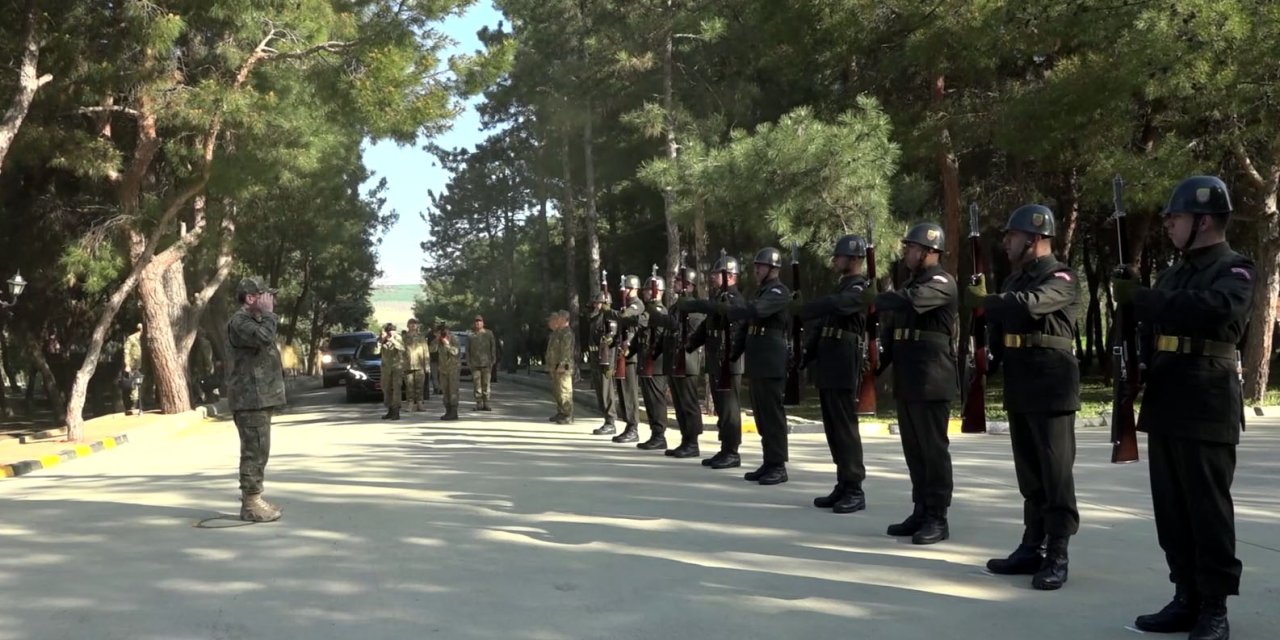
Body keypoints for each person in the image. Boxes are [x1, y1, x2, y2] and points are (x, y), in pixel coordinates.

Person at [1114, 176, 1253, 640]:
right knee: (1172, 509)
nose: (1169, 224)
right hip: (1168, 397)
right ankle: (1185, 595)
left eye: (1176, 217)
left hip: (1208, 401)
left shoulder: (1234, 268)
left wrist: (1145, 299)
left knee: (1207, 509)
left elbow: (1217, 310)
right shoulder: (1174, 273)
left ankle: (1214, 607)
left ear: (1205, 220)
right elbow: (1151, 327)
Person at [967, 205, 1081, 590]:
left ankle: (1058, 554)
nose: (1006, 242)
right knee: (1031, 476)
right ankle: (1031, 545)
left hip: (1052, 385)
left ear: (1034, 240)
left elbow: (1032, 306)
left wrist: (988, 301)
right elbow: (1001, 324)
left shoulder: (1061, 276)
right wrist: (989, 356)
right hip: (1021, 383)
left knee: (1055, 475)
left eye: (1012, 236)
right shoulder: (1016, 279)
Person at [874, 222, 958, 545]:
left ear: (929, 250)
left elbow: (909, 302)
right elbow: (895, 325)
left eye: (911, 247)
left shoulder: (941, 282)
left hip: (932, 376)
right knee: (914, 449)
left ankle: (938, 516)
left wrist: (879, 299)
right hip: (910, 376)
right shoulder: (909, 283)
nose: (906, 252)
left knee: (933, 450)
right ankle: (921, 509)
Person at [681, 247, 791, 486]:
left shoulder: (777, 291)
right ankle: (769, 461)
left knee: (771, 416)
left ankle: (777, 464)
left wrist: (715, 309)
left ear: (773, 269)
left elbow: (753, 312)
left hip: (771, 361)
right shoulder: (760, 292)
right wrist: (734, 353)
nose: (756, 270)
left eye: (760, 266)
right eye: (756, 266)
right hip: (757, 361)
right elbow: (745, 326)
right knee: (762, 416)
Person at [794, 235, 877, 514]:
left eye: (839, 256)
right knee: (832, 424)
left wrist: (804, 309)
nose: (835, 260)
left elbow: (838, 306)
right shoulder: (842, 286)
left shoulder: (860, 287)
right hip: (830, 356)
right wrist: (808, 352)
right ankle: (843, 482)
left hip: (844, 356)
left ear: (853, 259)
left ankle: (855, 486)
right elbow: (824, 321)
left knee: (844, 424)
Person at [226, 277, 286, 523]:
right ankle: (251, 502)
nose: (269, 300)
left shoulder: (252, 320)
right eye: (264, 296)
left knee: (261, 449)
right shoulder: (239, 322)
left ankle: (255, 497)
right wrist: (270, 315)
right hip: (250, 398)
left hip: (260, 397)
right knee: (254, 451)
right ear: (251, 298)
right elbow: (263, 338)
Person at [686, 253, 746, 469]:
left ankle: (732, 451)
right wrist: (692, 343)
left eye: (716, 275)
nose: (712, 278)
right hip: (716, 360)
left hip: (729, 361)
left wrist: (695, 305)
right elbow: (707, 326)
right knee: (722, 407)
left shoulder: (734, 299)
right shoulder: (717, 299)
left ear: (730, 276)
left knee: (730, 409)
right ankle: (724, 448)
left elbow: (721, 315)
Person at [653, 265, 704, 458]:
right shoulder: (677, 306)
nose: (674, 283)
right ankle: (685, 440)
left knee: (689, 403)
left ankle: (693, 442)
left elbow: (679, 326)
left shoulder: (694, 307)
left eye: (679, 281)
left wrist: (657, 316)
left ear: (689, 286)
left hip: (687, 360)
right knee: (679, 404)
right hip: (674, 360)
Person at [634, 270, 670, 450]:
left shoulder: (658, 311)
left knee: (656, 400)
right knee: (649, 399)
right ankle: (655, 433)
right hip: (647, 359)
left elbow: (660, 337)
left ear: (658, 292)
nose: (646, 293)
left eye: (649, 290)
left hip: (656, 363)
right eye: (645, 290)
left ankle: (659, 435)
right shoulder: (649, 310)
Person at [609, 275, 645, 443]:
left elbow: (624, 315)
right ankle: (628, 424)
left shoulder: (637, 305)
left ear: (635, 289)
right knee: (622, 391)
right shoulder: (626, 306)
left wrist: (607, 311)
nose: (625, 292)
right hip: (621, 352)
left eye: (628, 289)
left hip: (631, 354)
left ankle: (633, 427)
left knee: (629, 392)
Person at [587, 291, 619, 435]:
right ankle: (606, 418)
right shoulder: (595, 318)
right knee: (600, 390)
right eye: (595, 303)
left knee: (607, 390)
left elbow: (611, 336)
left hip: (606, 358)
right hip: (596, 357)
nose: (596, 305)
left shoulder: (609, 317)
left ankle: (610, 421)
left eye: (599, 302)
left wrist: (605, 343)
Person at [545, 310, 576, 424]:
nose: (557, 320)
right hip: (556, 366)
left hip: (563, 367)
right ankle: (561, 412)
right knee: (558, 391)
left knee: (565, 391)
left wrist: (563, 365)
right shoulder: (559, 332)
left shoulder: (567, 333)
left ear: (564, 319)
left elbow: (566, 351)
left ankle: (568, 414)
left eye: (559, 318)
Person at [468, 315, 498, 411]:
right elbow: (468, 350)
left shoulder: (488, 333)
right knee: (477, 385)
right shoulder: (470, 335)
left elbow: (493, 347)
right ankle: (479, 403)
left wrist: (493, 359)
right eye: (476, 321)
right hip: (475, 364)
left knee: (486, 384)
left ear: (483, 323)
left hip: (487, 363)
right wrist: (469, 362)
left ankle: (486, 403)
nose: (478, 323)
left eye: (480, 321)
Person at [378, 322, 405, 420]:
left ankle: (396, 411)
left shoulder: (398, 338)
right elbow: (375, 351)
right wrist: (382, 340)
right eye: (388, 331)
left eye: (392, 330)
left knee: (396, 389)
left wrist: (393, 340)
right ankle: (389, 409)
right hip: (386, 368)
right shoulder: (382, 340)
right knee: (386, 389)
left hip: (396, 367)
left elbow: (402, 349)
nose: (390, 332)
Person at [403, 319, 431, 412]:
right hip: (407, 365)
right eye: (411, 324)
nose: (413, 326)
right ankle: (410, 404)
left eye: (414, 324)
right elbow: (400, 351)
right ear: (407, 325)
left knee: (420, 386)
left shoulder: (421, 337)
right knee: (409, 386)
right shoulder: (404, 337)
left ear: (417, 326)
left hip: (420, 365)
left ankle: (420, 403)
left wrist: (427, 365)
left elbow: (426, 351)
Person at [435, 326, 461, 421]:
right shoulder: (439, 340)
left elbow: (456, 352)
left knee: (453, 391)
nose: (443, 333)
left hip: (453, 369)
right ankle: (448, 411)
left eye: (444, 331)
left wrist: (447, 344)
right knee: (445, 391)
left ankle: (454, 412)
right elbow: (432, 349)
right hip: (443, 369)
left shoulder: (454, 338)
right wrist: (437, 340)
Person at [122, 323, 144, 415]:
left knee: (138, 385)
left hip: (139, 365)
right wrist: (127, 364)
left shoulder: (143, 339)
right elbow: (126, 352)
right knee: (132, 385)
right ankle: (133, 405)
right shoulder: (131, 338)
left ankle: (137, 404)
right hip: (132, 366)